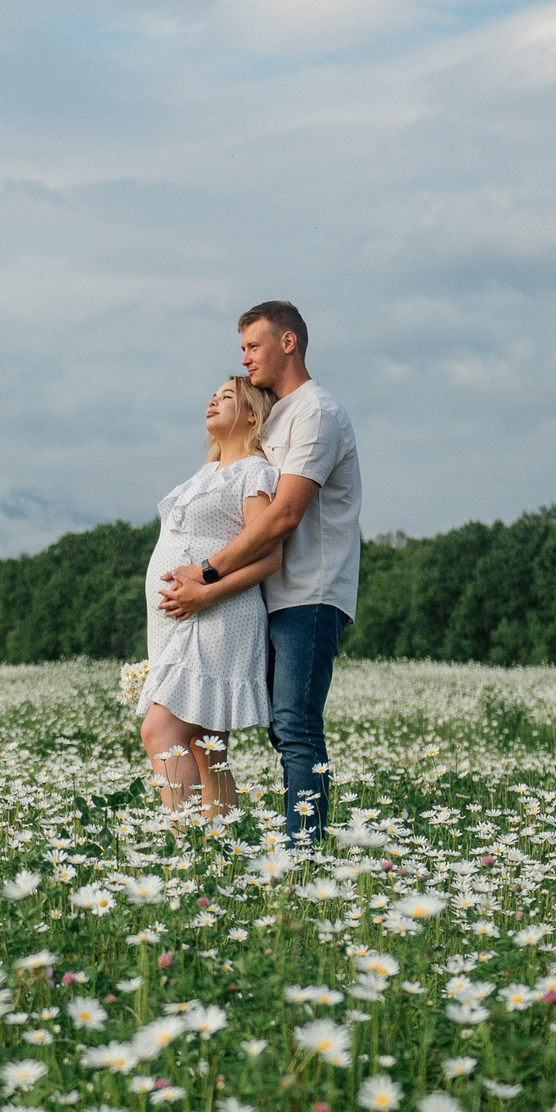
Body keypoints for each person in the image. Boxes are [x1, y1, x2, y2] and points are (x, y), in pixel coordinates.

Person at [157, 301, 361, 838]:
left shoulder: (316, 412)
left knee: (294, 725)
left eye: (253, 346)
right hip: (263, 595)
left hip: (308, 593)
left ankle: (303, 855)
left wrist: (207, 574)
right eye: (242, 349)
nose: (245, 359)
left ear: (287, 343)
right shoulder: (275, 415)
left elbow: (284, 517)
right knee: (263, 729)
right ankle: (229, 839)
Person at [136, 377, 287, 820]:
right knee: (208, 749)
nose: (213, 400)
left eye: (227, 397)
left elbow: (270, 557)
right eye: (213, 394)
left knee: (160, 730)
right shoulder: (209, 470)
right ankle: (221, 853)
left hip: (217, 616)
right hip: (180, 619)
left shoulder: (254, 472)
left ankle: (185, 850)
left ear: (253, 415)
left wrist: (204, 594)